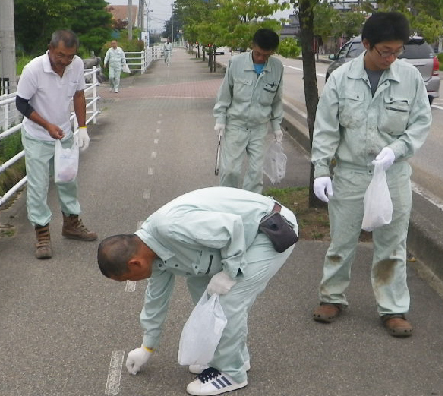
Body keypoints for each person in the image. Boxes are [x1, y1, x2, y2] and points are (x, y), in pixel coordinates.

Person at [97, 186, 298, 396]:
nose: (134, 281)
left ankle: (232, 373)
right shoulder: (149, 250)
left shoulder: (170, 227)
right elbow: (156, 299)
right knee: (202, 293)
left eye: (128, 278)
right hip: (242, 235)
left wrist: (230, 272)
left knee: (227, 301)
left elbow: (232, 226)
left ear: (135, 263)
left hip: (269, 229)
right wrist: (147, 346)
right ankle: (237, 357)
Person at [309, 12, 432, 337]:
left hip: (392, 174)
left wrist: (399, 149)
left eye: (397, 51)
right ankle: (332, 297)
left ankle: (392, 309)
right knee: (342, 239)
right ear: (366, 44)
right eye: (385, 51)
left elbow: (421, 122)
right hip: (350, 173)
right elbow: (325, 128)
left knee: (392, 245)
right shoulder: (342, 77)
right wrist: (321, 171)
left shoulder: (409, 78)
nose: (391, 57)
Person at [15, 29, 97, 259]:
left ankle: (71, 224)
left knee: (68, 180)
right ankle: (42, 234)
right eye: (61, 55)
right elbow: (21, 104)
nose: (65, 61)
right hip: (37, 137)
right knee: (39, 186)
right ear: (50, 49)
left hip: (64, 134)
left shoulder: (77, 65)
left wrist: (82, 128)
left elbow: (79, 95)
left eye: (70, 56)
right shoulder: (33, 69)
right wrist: (47, 125)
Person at [212, 28, 285, 194]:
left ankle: (251, 208)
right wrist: (220, 118)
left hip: (259, 127)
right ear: (253, 46)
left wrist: (276, 127)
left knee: (255, 172)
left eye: (266, 55)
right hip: (236, 124)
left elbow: (277, 100)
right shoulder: (236, 63)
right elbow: (224, 94)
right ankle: (227, 203)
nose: (261, 58)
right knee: (230, 170)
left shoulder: (277, 68)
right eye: (258, 53)